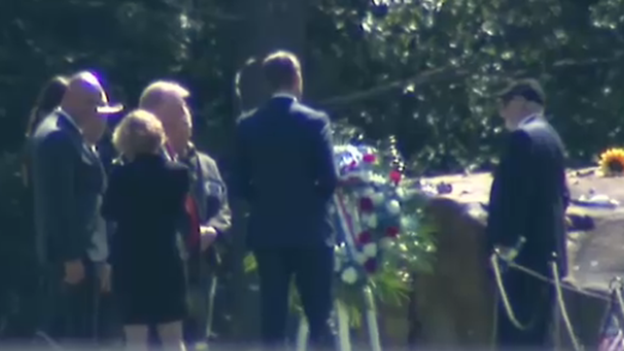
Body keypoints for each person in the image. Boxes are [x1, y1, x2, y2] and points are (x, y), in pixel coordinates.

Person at [233, 50, 338, 349]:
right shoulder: (315, 121)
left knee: (273, 315)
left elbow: (239, 184)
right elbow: (329, 178)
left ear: (268, 82)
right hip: (311, 231)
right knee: (320, 315)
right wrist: (310, 200)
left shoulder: (248, 124)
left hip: (268, 230)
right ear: (296, 78)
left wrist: (265, 201)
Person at [29, 71, 123, 345]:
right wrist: (71, 257)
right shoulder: (58, 138)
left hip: (84, 254)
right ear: (82, 104)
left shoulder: (66, 133)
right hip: (75, 257)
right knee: (73, 337)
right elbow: (58, 203)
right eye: (96, 108)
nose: (101, 117)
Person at [138, 81, 232, 347]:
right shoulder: (139, 165)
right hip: (157, 274)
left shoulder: (206, 164)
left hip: (200, 272)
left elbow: (223, 208)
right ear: (154, 117)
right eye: (179, 110)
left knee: (197, 340)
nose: (187, 116)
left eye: (187, 109)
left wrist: (213, 230)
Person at [487, 78, 569, 349]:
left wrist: (502, 244)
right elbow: (562, 195)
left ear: (520, 103)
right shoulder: (551, 137)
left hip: (523, 261)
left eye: (504, 105)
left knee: (516, 339)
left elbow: (513, 200)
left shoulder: (522, 138)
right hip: (550, 258)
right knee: (542, 339)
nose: (502, 113)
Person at [101, 109, 189, 351]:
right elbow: (180, 213)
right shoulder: (179, 173)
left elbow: (108, 212)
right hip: (166, 259)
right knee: (172, 336)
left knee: (135, 337)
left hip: (130, 261)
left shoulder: (120, 175)